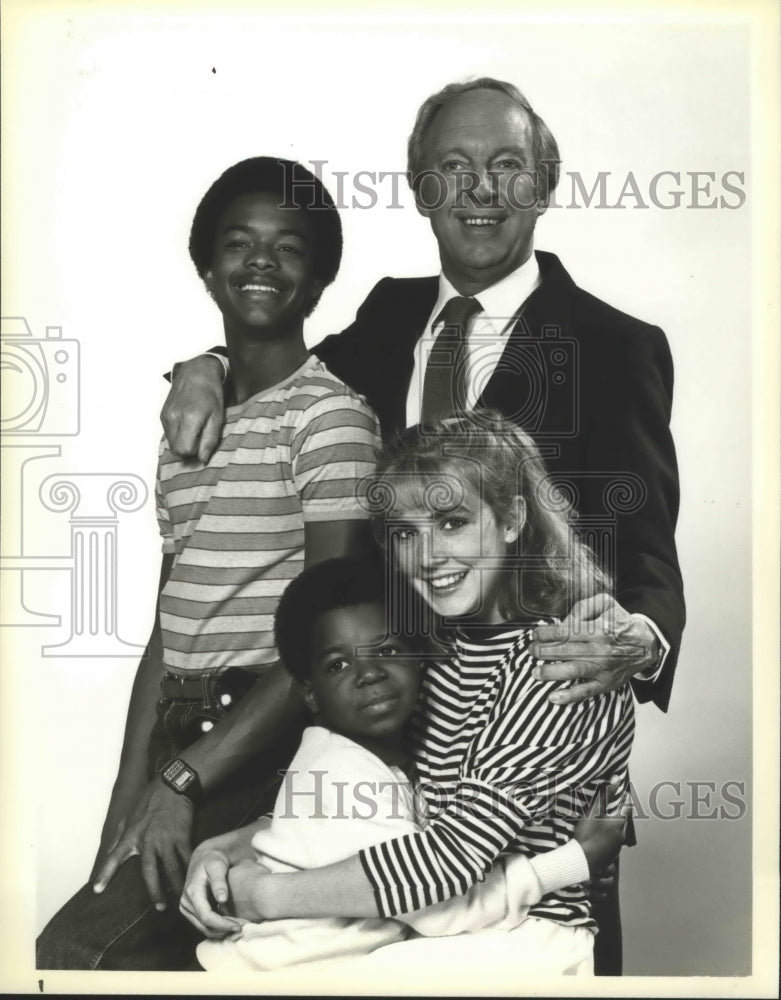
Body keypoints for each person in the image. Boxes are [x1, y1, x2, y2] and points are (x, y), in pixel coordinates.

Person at [162, 78, 685, 972]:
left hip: (528, 755)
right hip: (394, 726)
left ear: (545, 183)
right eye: (453, 166)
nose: (479, 188)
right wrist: (203, 364)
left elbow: (643, 553)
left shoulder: (612, 345)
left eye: (506, 165)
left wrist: (638, 639)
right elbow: (282, 366)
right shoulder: (389, 314)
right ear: (418, 187)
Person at [36, 157, 381, 970]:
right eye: (238, 242)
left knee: (78, 959)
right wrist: (130, 798)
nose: (260, 261)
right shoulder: (188, 426)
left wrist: (183, 782)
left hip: (257, 739)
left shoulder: (330, 416)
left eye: (288, 247)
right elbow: (171, 627)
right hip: (175, 737)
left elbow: (324, 641)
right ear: (206, 267)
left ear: (322, 277)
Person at [183, 410, 635, 980]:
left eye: (450, 523)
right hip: (435, 919)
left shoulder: (561, 660)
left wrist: (265, 895)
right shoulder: (436, 650)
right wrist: (224, 849)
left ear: (513, 519)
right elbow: (382, 804)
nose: (427, 557)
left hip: (525, 941)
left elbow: (446, 862)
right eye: (405, 533)